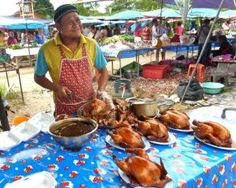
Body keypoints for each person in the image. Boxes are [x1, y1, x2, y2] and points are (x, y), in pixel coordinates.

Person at [34, 4, 113, 116]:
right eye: (69, 22)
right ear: (58, 26)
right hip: (64, 110)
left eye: (77, 20)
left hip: (91, 107)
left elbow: (102, 70)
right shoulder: (46, 49)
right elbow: (38, 77)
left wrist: (101, 90)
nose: (76, 25)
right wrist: (56, 88)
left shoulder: (92, 44)